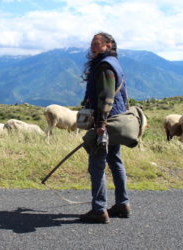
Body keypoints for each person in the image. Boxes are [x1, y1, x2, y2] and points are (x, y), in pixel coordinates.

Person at [79, 32, 130, 224]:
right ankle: (122, 204)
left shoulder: (105, 66)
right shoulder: (114, 63)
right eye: (92, 43)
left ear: (108, 45)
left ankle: (99, 210)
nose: (92, 46)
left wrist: (100, 124)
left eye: (97, 43)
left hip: (106, 121)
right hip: (117, 119)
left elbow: (107, 95)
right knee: (115, 160)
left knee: (97, 163)